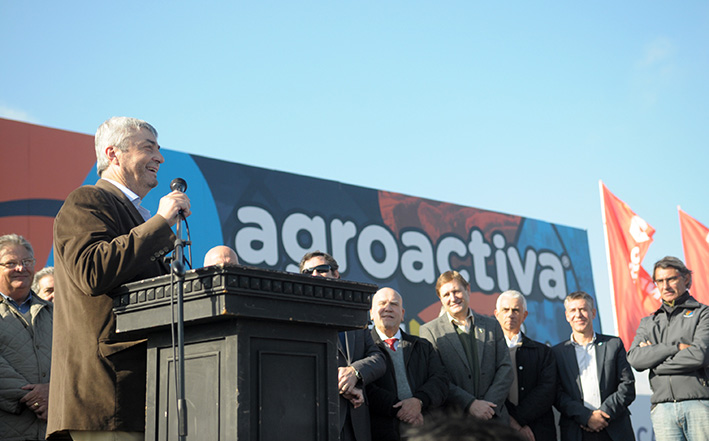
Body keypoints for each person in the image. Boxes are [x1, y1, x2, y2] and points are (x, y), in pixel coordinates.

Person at [47, 116, 191, 441]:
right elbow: (92, 271)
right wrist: (160, 222)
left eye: (159, 149)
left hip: (141, 395)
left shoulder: (133, 212)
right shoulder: (87, 200)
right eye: (148, 148)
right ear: (114, 154)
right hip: (107, 396)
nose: (160, 157)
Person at [299, 250, 386, 441]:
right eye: (308, 272)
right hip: (317, 421)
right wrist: (343, 385)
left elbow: (378, 359)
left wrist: (355, 372)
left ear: (335, 274)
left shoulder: (354, 316)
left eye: (321, 269)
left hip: (357, 423)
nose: (314, 275)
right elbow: (297, 367)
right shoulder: (298, 318)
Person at [627, 256, 709, 441]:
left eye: (671, 279)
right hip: (662, 409)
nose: (666, 286)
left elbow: (698, 356)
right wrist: (676, 347)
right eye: (660, 281)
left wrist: (655, 361)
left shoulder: (704, 314)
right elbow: (635, 359)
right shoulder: (648, 322)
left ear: (686, 278)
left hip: (700, 404)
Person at [419, 271, 513, 423]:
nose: (453, 298)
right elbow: (436, 377)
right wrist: (470, 404)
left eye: (456, 291)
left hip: (494, 420)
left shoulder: (492, 325)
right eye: (446, 294)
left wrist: (489, 407)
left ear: (468, 290)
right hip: (456, 421)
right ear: (440, 299)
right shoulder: (429, 331)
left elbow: (505, 368)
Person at [366, 287, 448, 440]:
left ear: (402, 314)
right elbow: (366, 387)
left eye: (394, 304)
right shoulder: (363, 347)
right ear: (371, 313)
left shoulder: (423, 346)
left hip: (424, 431)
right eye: (382, 303)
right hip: (381, 433)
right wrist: (400, 409)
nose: (388, 308)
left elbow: (440, 381)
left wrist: (418, 401)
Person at [553, 291, 635, 441]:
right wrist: (586, 417)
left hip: (614, 428)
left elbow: (627, 385)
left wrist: (603, 414)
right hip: (576, 431)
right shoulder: (556, 353)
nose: (578, 315)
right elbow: (557, 394)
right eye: (573, 310)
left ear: (593, 313)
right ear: (567, 316)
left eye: (583, 309)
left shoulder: (614, 344)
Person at [0, 234, 53, 441]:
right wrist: (34, 397)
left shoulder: (57, 313)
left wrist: (55, 393)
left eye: (26, 262)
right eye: (11, 263)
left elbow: (74, 361)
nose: (20, 268)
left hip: (53, 429)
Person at [493, 290, 556, 441]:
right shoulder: (487, 352)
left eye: (516, 310)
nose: (510, 314)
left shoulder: (543, 352)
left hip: (538, 431)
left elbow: (547, 390)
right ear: (496, 314)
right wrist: (513, 423)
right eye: (505, 310)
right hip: (499, 429)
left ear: (524, 315)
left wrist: (518, 420)